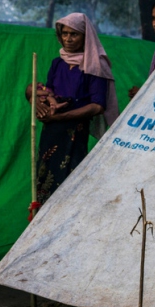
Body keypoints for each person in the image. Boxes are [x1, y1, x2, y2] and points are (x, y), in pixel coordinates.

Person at [25, 13, 115, 204]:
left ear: (85, 37)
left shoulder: (95, 65)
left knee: (69, 185)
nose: (68, 38)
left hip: (74, 133)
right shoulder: (57, 64)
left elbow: (97, 106)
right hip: (50, 132)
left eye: (74, 34)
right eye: (64, 33)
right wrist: (34, 95)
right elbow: (48, 92)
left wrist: (62, 116)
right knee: (45, 181)